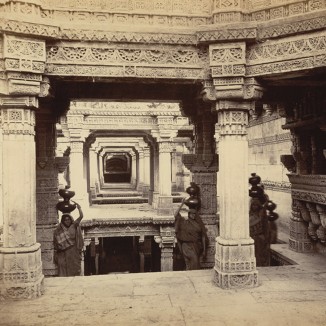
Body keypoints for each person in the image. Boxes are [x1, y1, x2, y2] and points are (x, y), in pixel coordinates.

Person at [174, 198, 207, 270]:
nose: (193, 215)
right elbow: (176, 215)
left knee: (190, 264)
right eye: (191, 214)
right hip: (186, 246)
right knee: (194, 261)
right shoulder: (184, 222)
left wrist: (204, 250)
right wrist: (181, 204)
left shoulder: (198, 224)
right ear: (189, 214)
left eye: (194, 214)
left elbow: (203, 236)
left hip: (196, 246)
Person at [53, 202, 84, 276]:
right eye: (65, 220)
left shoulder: (74, 225)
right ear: (63, 221)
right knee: (64, 266)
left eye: (69, 219)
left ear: (71, 219)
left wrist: (79, 207)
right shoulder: (59, 229)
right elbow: (56, 242)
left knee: (75, 266)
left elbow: (81, 216)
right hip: (64, 252)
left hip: (74, 251)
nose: (67, 221)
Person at [249, 197, 271, 266]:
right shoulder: (250, 214)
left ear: (258, 206)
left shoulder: (262, 216)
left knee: (260, 255)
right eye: (253, 205)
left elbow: (266, 228)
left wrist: (266, 239)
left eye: (256, 205)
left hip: (260, 238)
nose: (254, 207)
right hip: (252, 238)